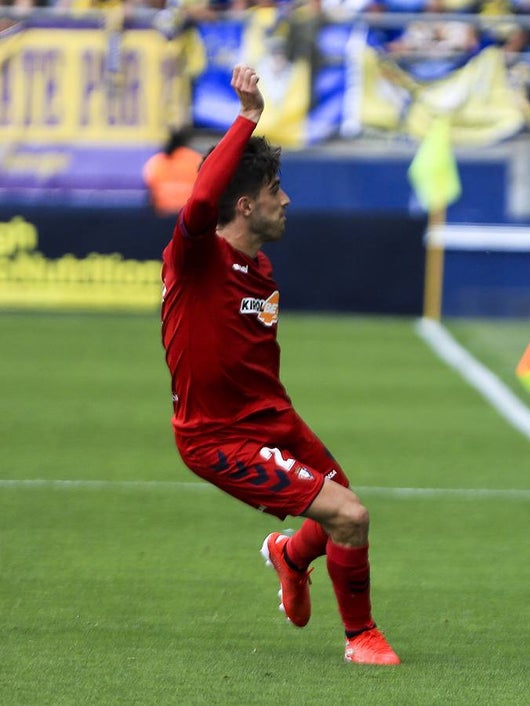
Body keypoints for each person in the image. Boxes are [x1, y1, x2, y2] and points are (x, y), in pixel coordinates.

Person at [159, 65, 400, 666]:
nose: (286, 200)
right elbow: (200, 198)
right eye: (274, 193)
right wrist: (247, 117)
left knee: (341, 505)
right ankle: (361, 639)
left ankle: (290, 556)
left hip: (272, 418)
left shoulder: (260, 270)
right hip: (217, 436)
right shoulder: (195, 258)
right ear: (244, 205)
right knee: (351, 515)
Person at [143, 126, 203, 217]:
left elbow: (150, 190)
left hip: (162, 216)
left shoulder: (157, 162)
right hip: (188, 218)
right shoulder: (197, 160)